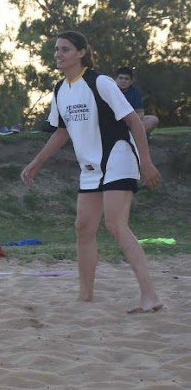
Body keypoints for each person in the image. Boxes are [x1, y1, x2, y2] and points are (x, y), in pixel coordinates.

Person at [21, 31, 163, 314]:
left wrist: (145, 162)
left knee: (115, 225)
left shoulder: (100, 82)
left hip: (118, 158)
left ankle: (150, 296)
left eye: (65, 49)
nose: (58, 54)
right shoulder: (61, 90)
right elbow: (61, 132)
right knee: (83, 227)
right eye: (56, 50)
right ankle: (85, 296)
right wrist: (36, 162)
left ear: (81, 52)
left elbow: (135, 122)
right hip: (90, 168)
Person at [115, 66, 159, 134]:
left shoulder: (135, 93)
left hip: (129, 121)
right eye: (121, 78)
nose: (123, 81)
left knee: (153, 119)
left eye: (126, 79)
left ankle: (132, 137)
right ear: (116, 79)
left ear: (131, 81)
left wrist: (130, 121)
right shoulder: (111, 90)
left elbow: (140, 113)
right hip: (113, 121)